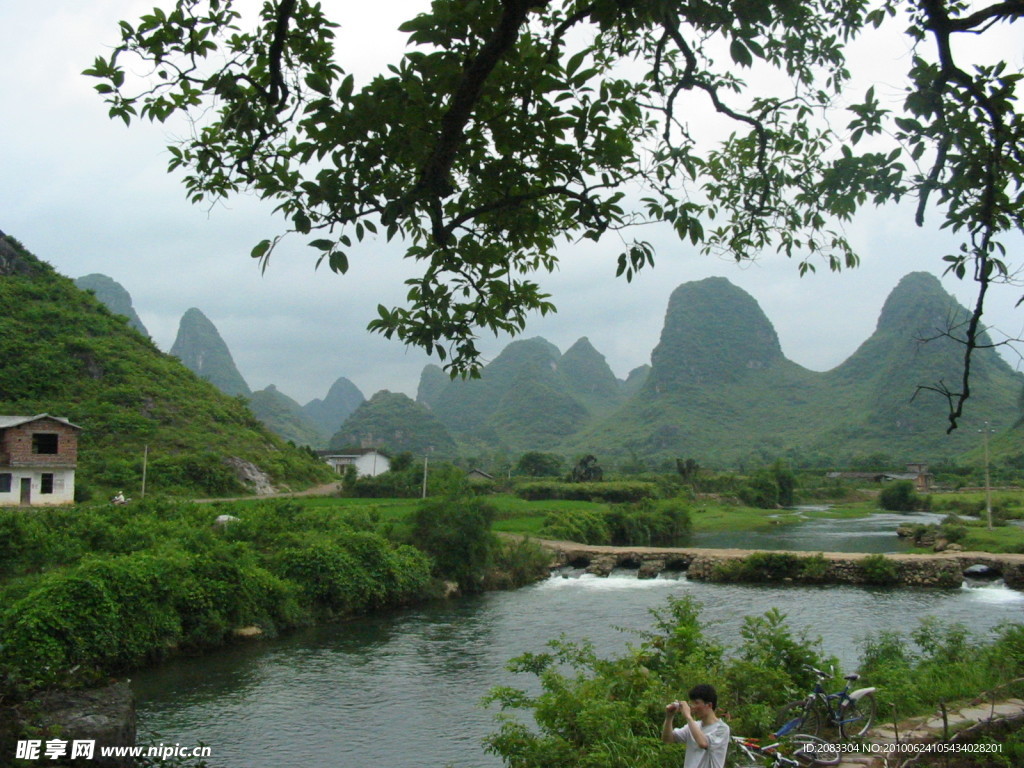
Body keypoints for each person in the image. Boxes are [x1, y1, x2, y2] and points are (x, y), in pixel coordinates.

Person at [662, 684, 730, 768]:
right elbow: (667, 739)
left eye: (696, 703)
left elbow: (703, 743)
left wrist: (688, 716)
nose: (693, 707)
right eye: (691, 703)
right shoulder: (694, 725)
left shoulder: (722, 728)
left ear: (709, 705)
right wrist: (669, 716)